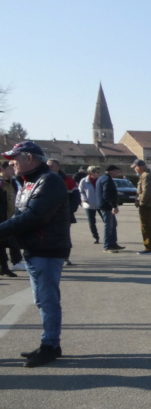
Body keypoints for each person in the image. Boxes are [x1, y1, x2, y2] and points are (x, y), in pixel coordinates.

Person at [0, 141, 72, 367]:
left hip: (47, 250)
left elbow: (34, 217)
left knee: (47, 300)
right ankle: (49, 343)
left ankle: (50, 346)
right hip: (36, 248)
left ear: (29, 158)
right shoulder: (29, 181)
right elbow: (21, 215)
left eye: (15, 158)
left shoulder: (48, 181)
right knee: (42, 299)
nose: (11, 163)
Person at [47, 159, 80, 266]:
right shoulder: (43, 179)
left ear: (58, 167)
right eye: (47, 165)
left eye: (52, 165)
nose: (49, 167)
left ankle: (64, 257)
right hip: (47, 214)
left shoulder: (67, 180)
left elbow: (76, 196)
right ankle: (50, 256)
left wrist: (71, 209)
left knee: (64, 236)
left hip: (64, 214)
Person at [132, 159, 151, 254]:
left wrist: (141, 203)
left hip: (147, 205)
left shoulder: (146, 176)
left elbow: (146, 192)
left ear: (139, 166)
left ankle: (149, 248)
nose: (135, 169)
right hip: (149, 204)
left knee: (146, 227)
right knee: (149, 226)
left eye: (135, 167)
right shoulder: (147, 174)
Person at [0, 160, 21, 276]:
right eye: (10, 168)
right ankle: (10, 264)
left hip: (11, 215)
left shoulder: (14, 182)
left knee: (5, 243)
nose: (13, 170)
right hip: (3, 217)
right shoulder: (1, 183)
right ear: (2, 169)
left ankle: (5, 267)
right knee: (8, 242)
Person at [96, 165, 124, 252]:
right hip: (107, 206)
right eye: (116, 171)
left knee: (113, 225)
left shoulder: (103, 178)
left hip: (105, 205)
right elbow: (107, 195)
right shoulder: (106, 180)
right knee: (108, 226)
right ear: (110, 171)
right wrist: (114, 206)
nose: (117, 173)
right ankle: (107, 246)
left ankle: (113, 244)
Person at [79, 166, 104, 244]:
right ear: (91, 173)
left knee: (107, 221)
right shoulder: (84, 181)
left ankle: (109, 237)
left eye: (99, 172)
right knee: (91, 222)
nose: (99, 174)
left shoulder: (101, 180)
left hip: (101, 204)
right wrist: (84, 199)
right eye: (97, 172)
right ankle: (95, 237)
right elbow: (81, 191)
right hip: (89, 204)